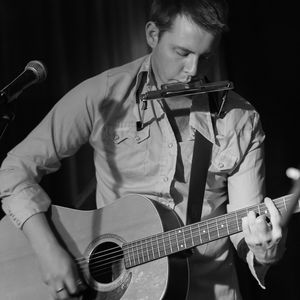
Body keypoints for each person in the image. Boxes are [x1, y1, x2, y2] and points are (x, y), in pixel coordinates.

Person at [0, 0, 286, 299]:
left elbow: (246, 228)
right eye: (182, 52)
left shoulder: (239, 118)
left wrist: (264, 249)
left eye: (205, 57)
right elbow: (14, 170)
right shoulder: (104, 95)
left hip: (207, 290)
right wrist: (48, 250)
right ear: (152, 34)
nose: (192, 70)